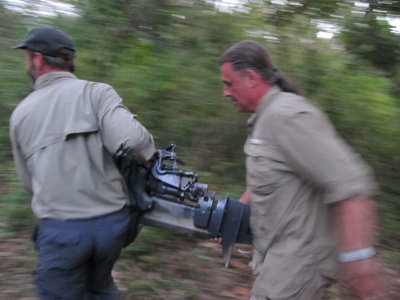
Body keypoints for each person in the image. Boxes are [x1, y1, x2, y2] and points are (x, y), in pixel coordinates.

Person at [219, 40, 389, 299]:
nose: (226, 93)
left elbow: (351, 184)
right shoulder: (265, 120)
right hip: (277, 261)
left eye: (229, 84)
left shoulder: (287, 116)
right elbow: (269, 177)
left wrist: (359, 261)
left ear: (251, 77)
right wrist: (233, 216)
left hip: (297, 267)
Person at [10, 27, 156, 299]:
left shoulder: (21, 114)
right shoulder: (97, 94)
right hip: (112, 228)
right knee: (100, 289)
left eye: (27, 57)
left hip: (61, 231)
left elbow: (30, 184)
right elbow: (136, 142)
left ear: (38, 59)